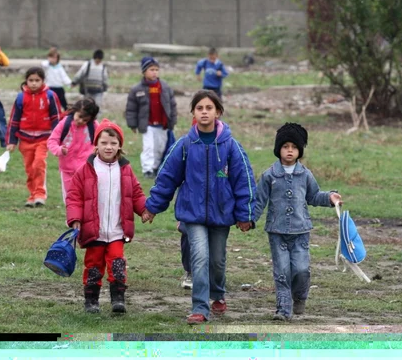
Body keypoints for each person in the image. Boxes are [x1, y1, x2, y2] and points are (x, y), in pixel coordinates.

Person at [143, 90, 258, 325]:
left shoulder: (231, 147)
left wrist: (245, 215)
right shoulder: (184, 145)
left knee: (217, 260)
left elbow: (244, 182)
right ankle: (200, 307)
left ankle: (217, 294)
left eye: (209, 108)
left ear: (218, 112)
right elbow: (166, 178)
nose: (204, 112)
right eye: (199, 108)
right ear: (193, 113)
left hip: (222, 214)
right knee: (200, 258)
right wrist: (153, 207)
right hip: (192, 214)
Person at [246, 123, 342, 321]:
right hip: (277, 231)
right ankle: (283, 309)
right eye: (285, 146)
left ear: (300, 151)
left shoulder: (305, 175)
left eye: (294, 147)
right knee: (281, 271)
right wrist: (249, 220)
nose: (290, 151)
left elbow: (314, 196)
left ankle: (299, 297)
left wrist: (330, 197)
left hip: (301, 232)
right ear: (278, 149)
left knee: (301, 270)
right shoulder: (268, 176)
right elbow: (259, 201)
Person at [66, 119, 153, 314]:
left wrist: (144, 210)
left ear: (119, 145)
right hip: (93, 230)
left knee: (117, 262)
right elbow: (74, 197)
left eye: (113, 143)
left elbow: (136, 193)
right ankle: (91, 300)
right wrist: (75, 219)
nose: (108, 147)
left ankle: (118, 299)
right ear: (96, 144)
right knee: (93, 265)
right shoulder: (85, 170)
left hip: (117, 229)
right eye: (104, 142)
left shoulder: (126, 169)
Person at [6, 67, 61, 207]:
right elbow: (14, 120)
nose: (34, 83)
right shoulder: (21, 97)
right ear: (26, 81)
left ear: (43, 81)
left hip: (44, 138)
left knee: (38, 164)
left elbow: (57, 118)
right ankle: (32, 195)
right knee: (30, 169)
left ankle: (40, 194)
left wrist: (57, 137)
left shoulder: (50, 96)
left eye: (37, 80)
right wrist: (12, 141)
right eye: (31, 80)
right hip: (25, 139)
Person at [125, 56, 177, 179]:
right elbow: (131, 108)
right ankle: (147, 169)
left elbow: (172, 105)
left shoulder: (165, 87)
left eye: (156, 69)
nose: (154, 72)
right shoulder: (137, 89)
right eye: (151, 70)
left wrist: (172, 120)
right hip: (147, 124)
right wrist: (132, 124)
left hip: (162, 124)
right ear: (144, 72)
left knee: (160, 148)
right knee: (149, 147)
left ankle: (156, 167)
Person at [47, 98, 100, 202]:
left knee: (87, 197)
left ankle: (86, 217)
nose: (81, 121)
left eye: (85, 120)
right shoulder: (64, 124)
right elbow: (52, 140)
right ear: (75, 110)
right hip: (67, 169)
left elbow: (101, 141)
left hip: (87, 168)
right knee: (69, 198)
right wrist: (59, 150)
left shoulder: (93, 126)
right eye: (79, 117)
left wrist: (96, 152)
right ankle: (71, 218)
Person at [41, 46, 72, 111]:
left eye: (55, 58)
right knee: (49, 103)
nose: (53, 59)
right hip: (49, 88)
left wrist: (70, 83)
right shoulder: (47, 66)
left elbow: (64, 77)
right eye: (51, 57)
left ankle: (67, 114)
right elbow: (43, 64)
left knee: (63, 103)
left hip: (59, 88)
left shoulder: (59, 67)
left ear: (57, 59)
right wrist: (49, 61)